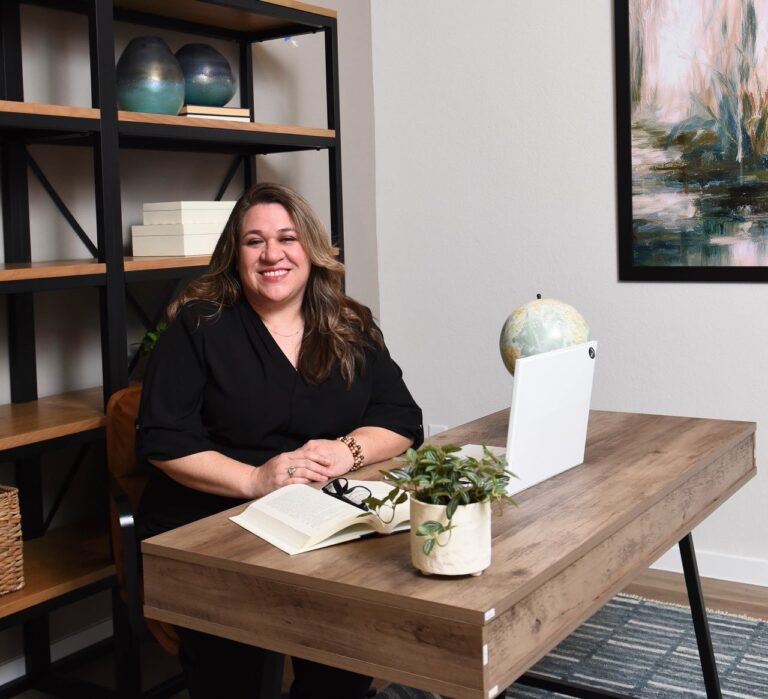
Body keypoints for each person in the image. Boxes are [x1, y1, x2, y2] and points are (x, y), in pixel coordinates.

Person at [135, 182, 423, 699]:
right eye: (255, 241)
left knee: (344, 657)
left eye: (287, 238)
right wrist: (254, 479)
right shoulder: (199, 325)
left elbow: (401, 417)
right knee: (234, 674)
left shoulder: (349, 326)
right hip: (214, 524)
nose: (272, 255)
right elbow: (164, 438)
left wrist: (347, 450)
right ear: (236, 254)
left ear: (310, 249)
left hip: (319, 519)